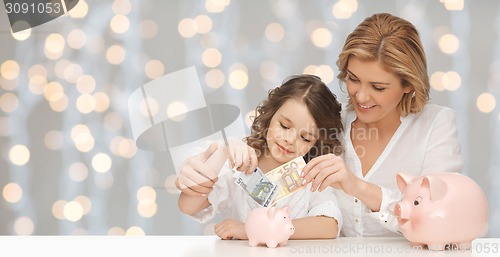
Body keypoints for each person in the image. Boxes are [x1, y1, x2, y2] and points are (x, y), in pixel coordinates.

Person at [299, 13, 464, 237]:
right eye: (353, 79)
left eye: (378, 87)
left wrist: (358, 187)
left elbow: (442, 219)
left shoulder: (436, 125)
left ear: (408, 84)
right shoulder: (331, 121)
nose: (361, 96)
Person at [175, 74, 344, 240]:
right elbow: (188, 206)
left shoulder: (311, 175)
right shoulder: (238, 161)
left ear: (316, 143)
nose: (290, 140)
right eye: (284, 126)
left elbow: (329, 225)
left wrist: (254, 230)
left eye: (305, 138)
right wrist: (222, 152)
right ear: (270, 115)